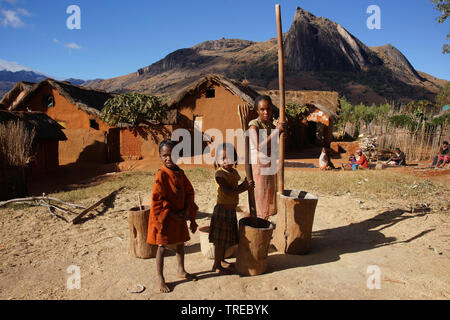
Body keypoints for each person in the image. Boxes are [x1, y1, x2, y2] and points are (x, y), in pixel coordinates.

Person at [147, 139, 199, 293]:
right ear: (160, 156)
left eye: (172, 154)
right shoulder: (161, 175)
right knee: (162, 247)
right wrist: (171, 213)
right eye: (165, 155)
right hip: (165, 218)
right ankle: (160, 278)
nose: (168, 158)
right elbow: (157, 199)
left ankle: (181, 270)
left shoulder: (180, 173)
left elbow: (189, 191)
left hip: (179, 215)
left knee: (180, 243)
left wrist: (186, 210)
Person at [209, 143, 254, 274]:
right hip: (222, 211)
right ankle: (216, 265)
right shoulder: (219, 174)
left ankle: (221, 260)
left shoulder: (233, 172)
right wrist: (244, 187)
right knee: (219, 241)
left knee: (224, 239)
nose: (226, 161)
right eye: (223, 158)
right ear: (217, 160)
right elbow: (228, 191)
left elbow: (236, 187)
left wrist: (245, 184)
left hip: (230, 211)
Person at [248, 95, 286, 219]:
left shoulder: (270, 125)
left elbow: (274, 144)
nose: (266, 112)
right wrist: (276, 131)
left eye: (268, 109)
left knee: (269, 195)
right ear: (257, 110)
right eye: (262, 109)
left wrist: (279, 132)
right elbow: (259, 146)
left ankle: (264, 220)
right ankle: (259, 221)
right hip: (259, 166)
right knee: (260, 196)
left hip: (269, 165)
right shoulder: (254, 125)